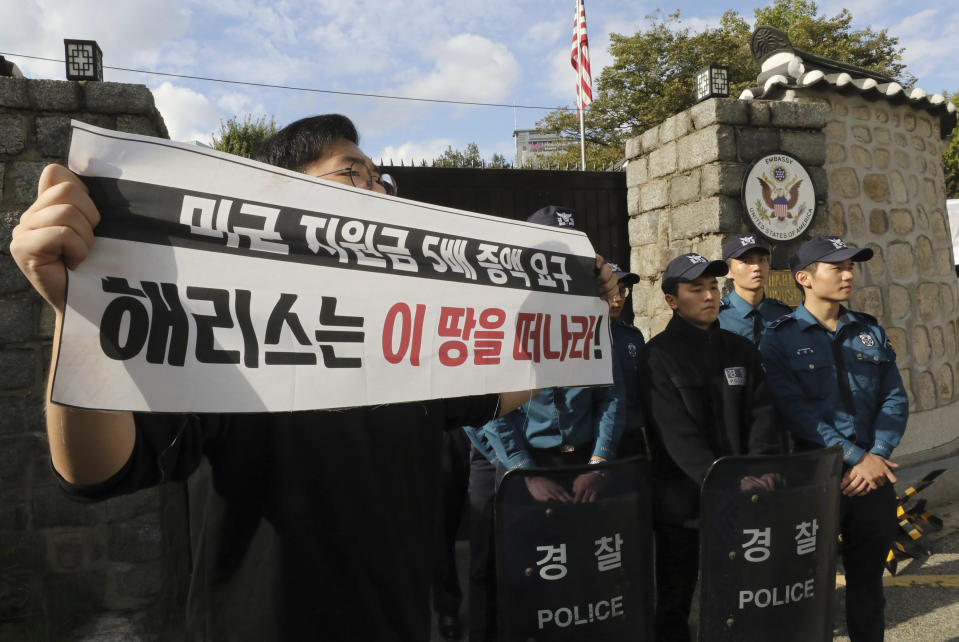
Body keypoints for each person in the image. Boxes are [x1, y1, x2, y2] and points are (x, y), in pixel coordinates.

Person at [9, 114, 620, 642]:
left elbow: (509, 387)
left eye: (382, 179)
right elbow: (97, 472)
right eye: (353, 174)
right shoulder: (223, 331)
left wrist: (576, 316)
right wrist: (80, 311)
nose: (379, 191)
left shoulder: (417, 342)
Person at [759, 236, 908, 642]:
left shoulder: (868, 330)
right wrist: (857, 456)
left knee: (867, 584)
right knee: (808, 584)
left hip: (873, 479)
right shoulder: (779, 338)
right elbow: (796, 413)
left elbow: (893, 397)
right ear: (804, 278)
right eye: (836, 267)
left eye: (851, 267)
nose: (847, 275)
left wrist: (876, 454)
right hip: (815, 477)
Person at [638, 252, 784, 642]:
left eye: (713, 287)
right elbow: (676, 437)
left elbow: (762, 416)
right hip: (683, 506)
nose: (709, 296)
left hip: (745, 499)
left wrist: (757, 473)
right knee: (675, 601)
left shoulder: (741, 350)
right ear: (672, 300)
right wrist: (726, 484)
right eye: (696, 289)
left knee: (741, 596)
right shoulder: (657, 357)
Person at [718, 233, 792, 344]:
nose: (757, 267)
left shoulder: (782, 313)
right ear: (728, 271)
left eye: (762, 260)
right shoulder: (717, 316)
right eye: (746, 261)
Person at [605, 262, 647, 457]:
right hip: (596, 440)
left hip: (631, 437)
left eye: (622, 291)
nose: (618, 299)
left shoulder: (632, 336)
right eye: (611, 291)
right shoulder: (580, 335)